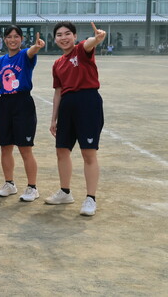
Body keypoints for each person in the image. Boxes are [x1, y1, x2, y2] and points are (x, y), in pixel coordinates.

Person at [46, 21, 106, 216]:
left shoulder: (81, 50)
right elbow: (58, 92)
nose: (63, 38)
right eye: (59, 35)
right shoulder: (57, 64)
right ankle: (65, 192)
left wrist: (97, 38)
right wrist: (53, 119)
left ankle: (90, 198)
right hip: (67, 106)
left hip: (88, 102)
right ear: (55, 39)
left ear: (74, 36)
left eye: (67, 34)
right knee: (62, 150)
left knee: (88, 153)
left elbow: (89, 43)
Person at [0, 26, 45, 202]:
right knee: (5, 147)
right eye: (9, 37)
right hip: (5, 104)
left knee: (25, 147)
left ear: (21, 39)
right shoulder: (0, 61)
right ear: (4, 40)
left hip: (23, 103)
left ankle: (32, 187)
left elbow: (32, 51)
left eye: (16, 36)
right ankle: (9, 184)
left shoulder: (25, 55)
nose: (12, 40)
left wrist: (37, 46)